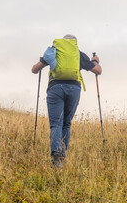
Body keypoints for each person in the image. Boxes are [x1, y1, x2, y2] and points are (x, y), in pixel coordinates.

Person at [31, 34, 102, 167]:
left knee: (56, 123)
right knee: (66, 124)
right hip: (74, 89)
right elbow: (98, 71)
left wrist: (42, 62)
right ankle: (63, 156)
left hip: (55, 88)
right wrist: (95, 61)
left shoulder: (54, 52)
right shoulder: (78, 54)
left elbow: (34, 70)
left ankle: (57, 159)